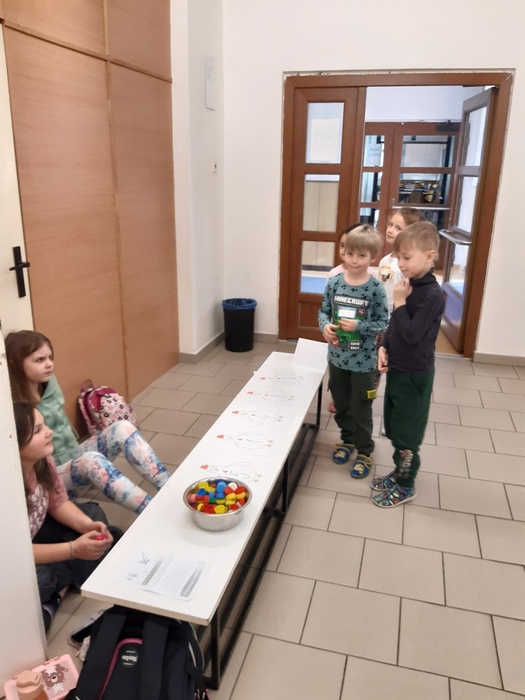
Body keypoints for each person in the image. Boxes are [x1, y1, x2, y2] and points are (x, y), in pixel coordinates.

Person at [6, 330, 170, 514]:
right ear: (15, 362)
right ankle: (153, 512)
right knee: (91, 461)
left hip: (72, 454)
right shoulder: (11, 405)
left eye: (50, 358)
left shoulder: (49, 382)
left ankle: (169, 487)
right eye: (39, 360)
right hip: (49, 476)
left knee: (122, 427)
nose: (49, 364)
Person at [14, 402, 114, 632]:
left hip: (36, 534)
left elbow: (58, 503)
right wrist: (72, 550)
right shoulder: (7, 486)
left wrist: (87, 526)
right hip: (15, 556)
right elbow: (15, 553)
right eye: (37, 431)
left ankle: (64, 578)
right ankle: (57, 593)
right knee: (38, 581)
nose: (49, 432)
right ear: (14, 444)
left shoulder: (42, 460)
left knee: (94, 515)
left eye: (44, 425)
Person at [372, 221, 445, 507]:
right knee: (394, 424)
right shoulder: (408, 285)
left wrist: (401, 302)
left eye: (406, 257)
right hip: (398, 368)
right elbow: (396, 322)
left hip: (415, 374)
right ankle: (399, 471)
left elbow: (413, 334)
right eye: (398, 257)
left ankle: (406, 484)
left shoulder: (433, 295)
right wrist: (385, 346)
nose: (400, 264)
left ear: (429, 256)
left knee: (407, 433)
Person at [319, 225, 388, 479]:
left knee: (361, 409)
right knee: (342, 405)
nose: (354, 260)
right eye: (350, 254)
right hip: (337, 359)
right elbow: (323, 311)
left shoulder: (376, 288)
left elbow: (383, 323)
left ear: (373, 257)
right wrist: (324, 327)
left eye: (361, 255)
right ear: (343, 253)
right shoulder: (335, 282)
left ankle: (365, 451)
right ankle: (347, 440)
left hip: (363, 363)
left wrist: (359, 326)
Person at [325, 223, 361, 413]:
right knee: (337, 365)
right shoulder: (334, 274)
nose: (345, 251)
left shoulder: (371, 275)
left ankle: (355, 398)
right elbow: (327, 305)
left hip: (358, 329)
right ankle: (337, 397)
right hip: (338, 329)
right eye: (342, 246)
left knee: (355, 366)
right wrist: (327, 326)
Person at [375, 207, 425, 313]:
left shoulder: (408, 265)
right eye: (390, 225)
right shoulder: (384, 260)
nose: (390, 230)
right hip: (380, 314)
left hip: (398, 314)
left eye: (398, 228)